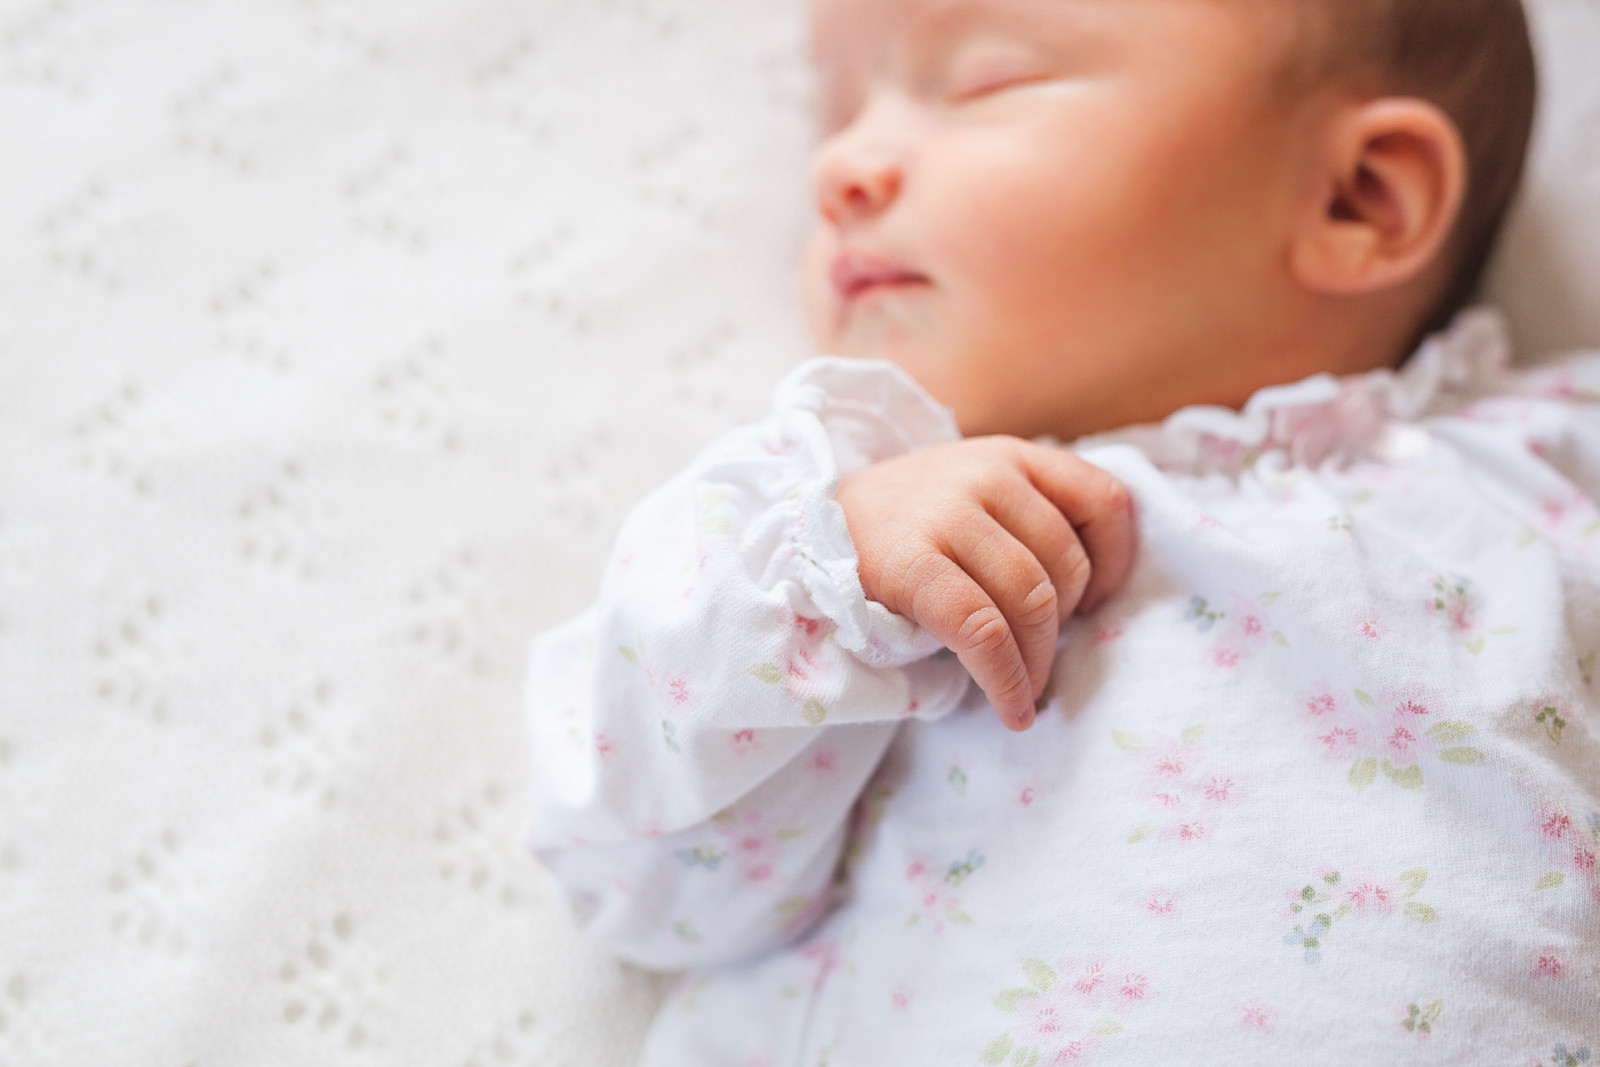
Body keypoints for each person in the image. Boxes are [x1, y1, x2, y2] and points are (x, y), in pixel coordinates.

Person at [525, 0, 1599, 1062]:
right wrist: (828, 574)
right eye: (835, 112)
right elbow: (644, 888)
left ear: (1358, 199)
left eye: (987, 79)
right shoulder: (844, 552)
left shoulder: (1549, 468)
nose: (842, 166)